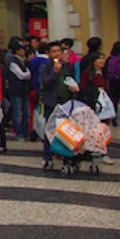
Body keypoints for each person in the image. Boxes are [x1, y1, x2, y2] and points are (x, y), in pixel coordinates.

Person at [38, 42, 77, 170]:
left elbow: (70, 79)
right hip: (51, 102)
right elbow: (45, 84)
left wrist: (73, 88)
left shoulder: (67, 66)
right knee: (50, 129)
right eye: (53, 51)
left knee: (66, 130)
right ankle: (47, 156)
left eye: (58, 51)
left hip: (66, 102)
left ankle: (66, 156)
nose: (56, 54)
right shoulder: (45, 67)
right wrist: (55, 72)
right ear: (49, 53)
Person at [5, 38, 32, 141]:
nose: (24, 51)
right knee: (18, 114)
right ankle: (19, 133)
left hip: (23, 90)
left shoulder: (22, 61)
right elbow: (22, 75)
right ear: (17, 50)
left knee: (26, 113)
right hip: (15, 90)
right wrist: (28, 73)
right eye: (22, 49)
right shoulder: (12, 61)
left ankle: (25, 132)